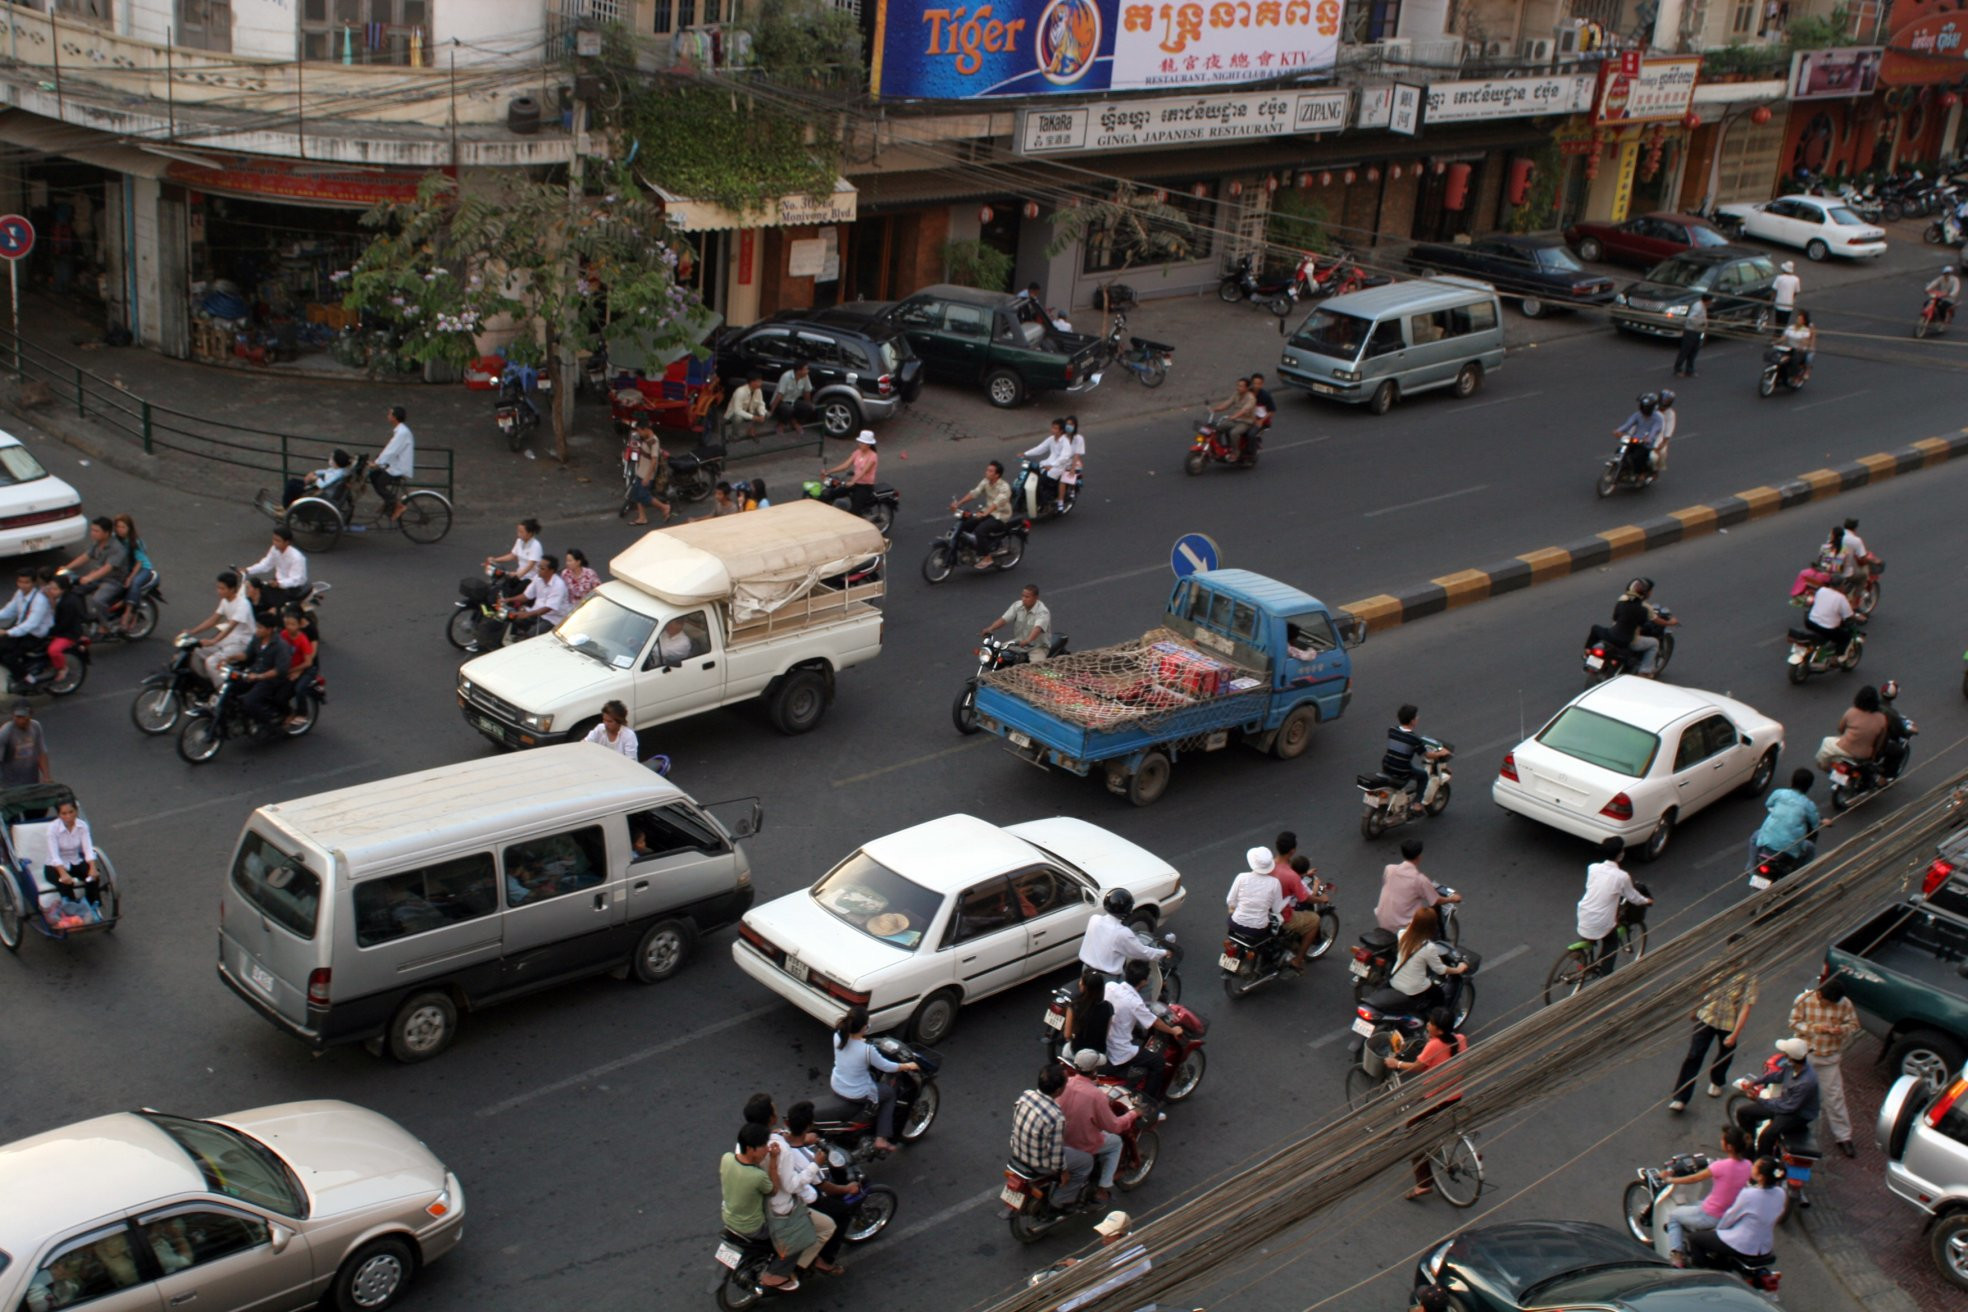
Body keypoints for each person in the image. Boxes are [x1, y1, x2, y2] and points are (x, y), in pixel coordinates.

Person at [1385, 1008, 1469, 1200]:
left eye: (1431, 1024)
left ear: (1439, 1030)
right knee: (1431, 1127)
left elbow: (1418, 1066)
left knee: (1413, 1135)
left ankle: (1423, 1183)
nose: (1428, 1025)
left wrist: (1395, 1064)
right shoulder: (1460, 1038)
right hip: (1455, 1095)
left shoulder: (1435, 1045)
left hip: (1435, 1099)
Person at [1660, 1125, 1755, 1266]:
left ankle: (1677, 1256)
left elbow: (1694, 1178)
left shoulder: (1720, 1166)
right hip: (1729, 1214)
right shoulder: (1748, 1165)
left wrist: (1670, 1179)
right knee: (1694, 1204)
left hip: (1711, 1215)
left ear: (1729, 1147)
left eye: (1723, 1140)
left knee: (1674, 1217)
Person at [1789, 978, 1861, 1156]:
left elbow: (1853, 1025)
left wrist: (1841, 1030)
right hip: (1805, 1056)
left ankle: (1844, 1137)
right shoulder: (1803, 1000)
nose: (1829, 1007)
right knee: (1793, 1093)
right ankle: (1788, 1127)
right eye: (1826, 1003)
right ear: (1819, 994)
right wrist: (1814, 1028)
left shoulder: (1844, 1004)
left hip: (1829, 1058)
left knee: (1835, 1097)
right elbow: (1794, 1023)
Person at [831, 1006, 918, 1153]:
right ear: (864, 1027)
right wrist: (908, 1065)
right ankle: (881, 1138)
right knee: (889, 1093)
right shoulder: (866, 1050)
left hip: (836, 1084)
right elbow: (888, 1067)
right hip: (857, 1093)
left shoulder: (839, 1036)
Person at [782, 1102, 856, 1274]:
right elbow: (826, 1187)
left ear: (787, 1123)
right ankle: (825, 1260)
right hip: (800, 1200)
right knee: (842, 1212)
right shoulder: (809, 1158)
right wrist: (847, 1188)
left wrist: (805, 1139)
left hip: (784, 1193)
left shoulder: (779, 1139)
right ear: (809, 1126)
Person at [721, 1124, 796, 1291]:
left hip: (728, 1218)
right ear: (750, 1148)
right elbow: (774, 1189)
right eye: (763, 1146)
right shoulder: (757, 1176)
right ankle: (774, 1276)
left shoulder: (726, 1158)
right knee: (794, 1235)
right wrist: (774, 1159)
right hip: (754, 1228)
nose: (766, 1149)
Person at [1670, 970, 1758, 1111]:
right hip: (1706, 1017)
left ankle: (1717, 1081)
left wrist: (1735, 1034)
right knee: (1694, 1056)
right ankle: (1681, 1098)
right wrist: (1695, 1009)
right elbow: (1703, 987)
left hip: (1728, 1023)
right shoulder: (1717, 964)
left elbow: (1746, 1007)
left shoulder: (1749, 976)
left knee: (1725, 1054)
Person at [1060, 1049, 1137, 1204]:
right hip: (1082, 1144)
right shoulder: (1096, 1095)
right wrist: (1133, 1114)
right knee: (1115, 1142)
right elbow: (1114, 1126)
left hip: (1062, 1139)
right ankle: (1103, 1188)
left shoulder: (1065, 1084)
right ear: (1094, 1071)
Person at [1103, 958, 1183, 1101]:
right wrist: (1173, 1031)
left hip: (1104, 1042)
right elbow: (1155, 1023)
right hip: (1119, 1051)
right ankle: (1147, 1102)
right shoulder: (1135, 1002)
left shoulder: (1110, 986)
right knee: (1158, 1062)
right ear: (1143, 982)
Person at [1689, 1156, 1785, 1268]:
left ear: (1760, 1177)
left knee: (1694, 1238)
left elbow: (1731, 1216)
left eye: (1754, 1166)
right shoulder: (1781, 1193)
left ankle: (1701, 1269)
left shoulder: (1749, 1194)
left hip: (1743, 1244)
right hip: (1764, 1246)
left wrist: (1717, 1230)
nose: (1752, 1167)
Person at [1577, 837, 1652, 973]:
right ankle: (1606, 975)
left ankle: (1582, 958)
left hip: (1584, 913)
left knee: (1591, 930)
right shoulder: (1622, 876)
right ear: (1620, 854)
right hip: (1601, 921)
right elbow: (1634, 897)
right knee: (1611, 942)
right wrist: (1647, 901)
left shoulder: (1592, 868)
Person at [1733, 1037, 1820, 1150]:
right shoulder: (1791, 1066)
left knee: (1766, 1137)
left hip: (1797, 1114)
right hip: (1784, 1102)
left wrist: (1758, 1100)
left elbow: (1788, 1108)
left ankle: (1763, 1162)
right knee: (1743, 1113)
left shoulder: (1806, 1082)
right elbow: (1778, 1076)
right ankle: (1748, 1150)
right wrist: (1755, 1082)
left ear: (1790, 1057)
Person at [1010, 1065, 1072, 1204]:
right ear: (1058, 1090)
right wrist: (1063, 1172)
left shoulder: (1026, 1095)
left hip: (1017, 1150)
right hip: (1038, 1163)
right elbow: (1056, 1155)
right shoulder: (1055, 1117)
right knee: (1085, 1161)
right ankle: (1062, 1200)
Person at [180, 571, 254, 685]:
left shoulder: (243, 604)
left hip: (243, 643)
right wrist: (192, 632)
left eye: (222, 588)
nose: (218, 591)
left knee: (211, 662)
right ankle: (207, 681)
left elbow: (231, 626)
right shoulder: (225, 601)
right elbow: (213, 620)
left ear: (233, 589)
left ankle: (220, 693)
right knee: (197, 650)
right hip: (230, 639)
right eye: (218, 588)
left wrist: (213, 641)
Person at [482, 553, 569, 650]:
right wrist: (508, 600)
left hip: (552, 619)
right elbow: (526, 596)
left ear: (551, 571)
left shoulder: (558, 586)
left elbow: (548, 609)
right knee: (510, 617)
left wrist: (527, 614)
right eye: (539, 567)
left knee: (531, 635)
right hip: (535, 612)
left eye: (542, 568)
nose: (538, 570)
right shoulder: (538, 578)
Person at [1387, 906, 1467, 1008]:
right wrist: (1458, 969)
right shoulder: (1428, 948)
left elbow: (1409, 928)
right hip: (1413, 988)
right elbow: (1440, 970)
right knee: (1439, 997)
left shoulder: (1402, 934)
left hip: (1395, 981)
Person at [1375, 838, 1459, 933]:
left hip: (1383, 920)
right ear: (1419, 856)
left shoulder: (1389, 869)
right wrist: (1452, 899)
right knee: (1429, 920)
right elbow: (1435, 901)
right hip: (1402, 927)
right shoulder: (1419, 880)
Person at [58, 516, 129, 623]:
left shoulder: (117, 548)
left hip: (113, 581)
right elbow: (85, 556)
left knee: (97, 600)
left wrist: (89, 578)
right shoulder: (97, 543)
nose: (92, 533)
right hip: (99, 577)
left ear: (107, 533)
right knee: (76, 590)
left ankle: (105, 627)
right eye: (92, 530)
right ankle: (85, 618)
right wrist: (67, 567)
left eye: (96, 531)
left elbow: (107, 568)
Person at [233, 611, 293, 728]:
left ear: (269, 630)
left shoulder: (281, 646)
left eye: (260, 627)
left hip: (270, 680)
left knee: (249, 702)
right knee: (231, 689)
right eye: (257, 627)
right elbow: (247, 655)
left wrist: (259, 676)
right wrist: (230, 658)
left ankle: (269, 722)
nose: (257, 630)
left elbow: (280, 670)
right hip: (253, 674)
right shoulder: (257, 638)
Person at [949, 460, 1013, 568]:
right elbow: (974, 493)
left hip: (1000, 516)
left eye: (990, 471)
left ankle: (987, 558)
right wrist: (958, 503)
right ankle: (970, 548)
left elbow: (996, 503)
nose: (986, 472)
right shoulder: (986, 481)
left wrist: (985, 513)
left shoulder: (1004, 487)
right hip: (987, 511)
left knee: (980, 530)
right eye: (987, 470)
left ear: (997, 475)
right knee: (965, 524)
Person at [1609, 576, 1677, 676]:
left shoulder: (1622, 598)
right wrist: (1671, 622)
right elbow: (1658, 621)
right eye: (1650, 591)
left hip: (1613, 633)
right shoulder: (1645, 607)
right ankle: (1644, 671)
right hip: (1629, 639)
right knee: (1654, 643)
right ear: (1645, 593)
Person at [1753, 768, 1822, 866]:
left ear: (1792, 781)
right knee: (1810, 848)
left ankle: (1750, 866)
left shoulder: (1779, 793)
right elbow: (1815, 826)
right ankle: (1801, 872)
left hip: (1765, 840)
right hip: (1790, 849)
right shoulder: (1808, 805)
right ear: (1809, 786)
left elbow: (1768, 804)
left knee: (1754, 837)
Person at [1382, 703, 1450, 799]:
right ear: (1413, 721)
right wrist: (1441, 753)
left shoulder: (1391, 730)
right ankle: (1417, 804)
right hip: (1402, 771)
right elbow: (1427, 755)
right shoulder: (1414, 739)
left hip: (1386, 766)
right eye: (1416, 717)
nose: (1418, 718)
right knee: (1423, 776)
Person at [1816, 683, 1886, 770]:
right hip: (1865, 755)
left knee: (1826, 741)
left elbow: (1840, 729)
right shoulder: (1882, 719)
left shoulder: (1851, 712)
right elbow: (1879, 743)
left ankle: (1826, 768)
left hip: (1845, 749)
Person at [45, 798, 99, 906]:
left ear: (76, 811)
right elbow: (54, 855)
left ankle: (92, 904)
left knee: (93, 877)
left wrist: (93, 868)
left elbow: (88, 849)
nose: (68, 816)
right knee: (65, 883)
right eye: (64, 813)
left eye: (71, 812)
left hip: (75, 860)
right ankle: (72, 908)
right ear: (59, 814)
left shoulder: (82, 826)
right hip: (54, 866)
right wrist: (63, 873)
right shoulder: (52, 829)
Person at [110, 514, 157, 635]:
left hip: (142, 569)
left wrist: (130, 577)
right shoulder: (114, 538)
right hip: (126, 568)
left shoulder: (134, 541)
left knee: (134, 583)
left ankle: (128, 613)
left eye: (123, 527)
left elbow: (139, 562)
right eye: (118, 526)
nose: (120, 529)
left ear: (129, 528)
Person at [0, 566, 52, 671]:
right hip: (20, 628)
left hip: (34, 635)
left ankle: (24, 679)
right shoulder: (19, 593)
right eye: (20, 581)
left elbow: (31, 624)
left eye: (26, 582)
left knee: (8, 657)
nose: (22, 585)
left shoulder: (40, 600)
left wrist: (7, 632)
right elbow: (9, 610)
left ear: (33, 583)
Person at [1227, 846, 1285, 938]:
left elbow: (1231, 901)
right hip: (1258, 929)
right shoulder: (1275, 883)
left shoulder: (1241, 877)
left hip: (1235, 923)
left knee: (1231, 909)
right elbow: (1277, 909)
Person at [244, 527, 308, 610]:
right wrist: (247, 570)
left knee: (274, 610)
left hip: (292, 588)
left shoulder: (297, 558)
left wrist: (279, 583)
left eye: (278, 541)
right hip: (277, 583)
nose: (274, 543)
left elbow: (296, 579)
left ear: (287, 542)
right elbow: (265, 565)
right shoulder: (275, 549)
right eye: (274, 539)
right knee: (257, 596)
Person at [1801, 564, 1857, 658]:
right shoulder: (1841, 598)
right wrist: (1859, 617)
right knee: (1846, 637)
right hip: (1826, 629)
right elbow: (1849, 616)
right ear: (1840, 586)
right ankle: (1837, 657)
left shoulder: (1821, 590)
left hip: (1810, 622)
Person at [982, 584, 1053, 657]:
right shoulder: (1017, 606)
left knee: (1036, 666)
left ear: (1036, 598)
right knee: (998, 654)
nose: (1023, 599)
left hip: (1037, 647)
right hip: (1018, 643)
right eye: (1023, 596)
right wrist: (990, 628)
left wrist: (1028, 640)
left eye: (1027, 597)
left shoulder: (1043, 612)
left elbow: (1038, 628)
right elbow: (1004, 619)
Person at [41, 573, 86, 684]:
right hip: (60, 627)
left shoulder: (68, 603)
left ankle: (62, 668)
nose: (51, 591)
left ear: (63, 589)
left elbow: (63, 624)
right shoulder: (58, 598)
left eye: (54, 589)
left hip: (68, 633)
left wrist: (48, 632)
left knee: (53, 650)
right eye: (50, 588)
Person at [374, 406, 415, 526]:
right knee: (374, 476)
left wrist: (377, 462)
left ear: (395, 417)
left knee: (380, 483)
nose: (388, 416)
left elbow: (391, 450)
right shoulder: (400, 430)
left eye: (390, 414)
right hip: (394, 464)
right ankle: (388, 502)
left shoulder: (402, 433)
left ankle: (397, 505)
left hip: (398, 467)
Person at [823, 432, 880, 516]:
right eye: (859, 442)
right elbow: (845, 465)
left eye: (862, 443)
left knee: (854, 512)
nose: (859, 444)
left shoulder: (873, 456)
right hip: (855, 483)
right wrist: (829, 471)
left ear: (868, 445)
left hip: (865, 486)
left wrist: (853, 481)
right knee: (831, 494)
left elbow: (863, 471)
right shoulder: (857, 452)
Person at [626, 420, 671, 527]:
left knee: (644, 496)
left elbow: (654, 461)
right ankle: (642, 518)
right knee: (637, 495)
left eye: (639, 431)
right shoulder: (645, 438)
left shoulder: (654, 441)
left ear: (645, 429)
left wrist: (647, 477)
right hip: (640, 471)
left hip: (647, 475)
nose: (639, 433)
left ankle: (664, 507)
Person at [279, 606, 318, 729]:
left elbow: (309, 660)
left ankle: (303, 713)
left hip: (306, 668)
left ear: (299, 624)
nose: (289, 626)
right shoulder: (284, 634)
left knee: (299, 689)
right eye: (287, 623)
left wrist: (296, 671)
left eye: (292, 624)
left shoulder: (305, 637)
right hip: (292, 667)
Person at [1023, 419, 1074, 510]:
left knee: (1040, 482)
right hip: (1047, 464)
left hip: (1058, 468)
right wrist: (1026, 453)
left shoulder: (1065, 442)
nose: (1052, 430)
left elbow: (1064, 457)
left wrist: (1052, 465)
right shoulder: (1051, 439)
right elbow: (1040, 448)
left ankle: (1044, 503)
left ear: (1061, 431)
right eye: (1052, 427)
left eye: (1055, 428)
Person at [1613, 392, 1665, 479]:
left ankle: (1640, 473)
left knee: (1637, 457)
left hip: (1646, 443)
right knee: (1620, 451)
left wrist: (1648, 438)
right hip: (1635, 439)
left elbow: (1654, 430)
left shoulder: (1658, 419)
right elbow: (1628, 425)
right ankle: (1623, 470)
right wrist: (1618, 431)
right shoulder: (1637, 415)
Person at [282, 448, 353, 508]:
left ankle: (286, 508)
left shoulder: (337, 474)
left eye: (331, 457)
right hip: (317, 488)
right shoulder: (338, 470)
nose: (330, 459)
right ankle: (287, 506)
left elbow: (324, 485)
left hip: (320, 493)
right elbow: (325, 471)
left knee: (291, 486)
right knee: (293, 481)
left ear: (336, 461)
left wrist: (315, 478)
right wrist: (314, 473)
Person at [0, 701, 50, 785]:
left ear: (30, 715)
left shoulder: (35, 726)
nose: (21, 720)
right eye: (18, 717)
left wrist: (47, 777)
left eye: (24, 717)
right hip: (10, 785)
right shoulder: (6, 732)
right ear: (13, 716)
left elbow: (41, 753)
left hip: (32, 781)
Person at [1207, 376, 1258, 458]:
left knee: (1234, 433)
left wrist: (1234, 416)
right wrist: (1215, 409)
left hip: (1246, 422)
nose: (1238, 388)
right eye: (1238, 385)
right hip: (1235, 420)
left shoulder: (1251, 398)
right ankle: (1218, 448)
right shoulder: (1236, 394)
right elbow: (1227, 404)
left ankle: (1236, 452)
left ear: (1247, 388)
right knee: (1218, 428)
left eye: (1241, 386)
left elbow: (1244, 410)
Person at [485, 518, 545, 583]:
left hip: (531, 578)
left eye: (521, 532)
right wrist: (495, 560)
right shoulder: (519, 541)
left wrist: (517, 575)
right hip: (519, 575)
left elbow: (530, 566)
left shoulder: (535, 545)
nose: (519, 534)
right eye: (518, 531)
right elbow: (512, 555)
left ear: (530, 533)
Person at [772, 361, 817, 432]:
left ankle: (795, 421)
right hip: (782, 401)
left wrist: (809, 404)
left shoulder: (805, 376)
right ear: (799, 370)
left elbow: (807, 391)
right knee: (788, 409)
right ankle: (781, 423)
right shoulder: (786, 376)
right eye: (806, 369)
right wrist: (771, 410)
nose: (808, 371)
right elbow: (780, 394)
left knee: (808, 407)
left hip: (793, 401)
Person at [1673, 293, 1711, 376]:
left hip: (1697, 331)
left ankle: (1689, 370)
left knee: (1694, 351)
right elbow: (1691, 318)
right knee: (1685, 350)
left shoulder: (1703, 306)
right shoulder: (1698, 307)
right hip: (1691, 331)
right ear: (1707, 301)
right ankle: (1678, 369)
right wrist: (1701, 323)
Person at [725, 370, 770, 440]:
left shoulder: (758, 390)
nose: (761, 383)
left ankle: (752, 430)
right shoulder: (740, 391)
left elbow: (761, 403)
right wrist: (754, 417)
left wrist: (762, 415)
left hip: (749, 411)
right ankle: (734, 434)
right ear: (752, 382)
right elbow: (737, 410)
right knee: (738, 418)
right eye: (759, 381)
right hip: (734, 413)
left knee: (767, 414)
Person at [1779, 307, 1816, 382]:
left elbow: (1811, 338)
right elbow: (1784, 337)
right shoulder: (1791, 327)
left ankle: (1803, 372)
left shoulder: (1808, 327)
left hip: (1803, 348)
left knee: (1808, 357)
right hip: (1791, 347)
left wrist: (1810, 346)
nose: (1798, 319)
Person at [1653, 389, 1678, 472]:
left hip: (1658, 439)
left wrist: (1662, 445)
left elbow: (1668, 432)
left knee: (1655, 457)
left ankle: (1654, 471)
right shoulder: (1651, 408)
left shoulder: (1670, 414)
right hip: (1644, 435)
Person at [1771, 260, 1801, 326]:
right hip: (1789, 305)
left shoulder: (1779, 278)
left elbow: (1774, 289)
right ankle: (1781, 334)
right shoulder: (1796, 279)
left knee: (1778, 321)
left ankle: (1776, 334)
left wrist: (1773, 299)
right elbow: (1796, 291)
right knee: (1784, 322)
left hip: (1779, 303)